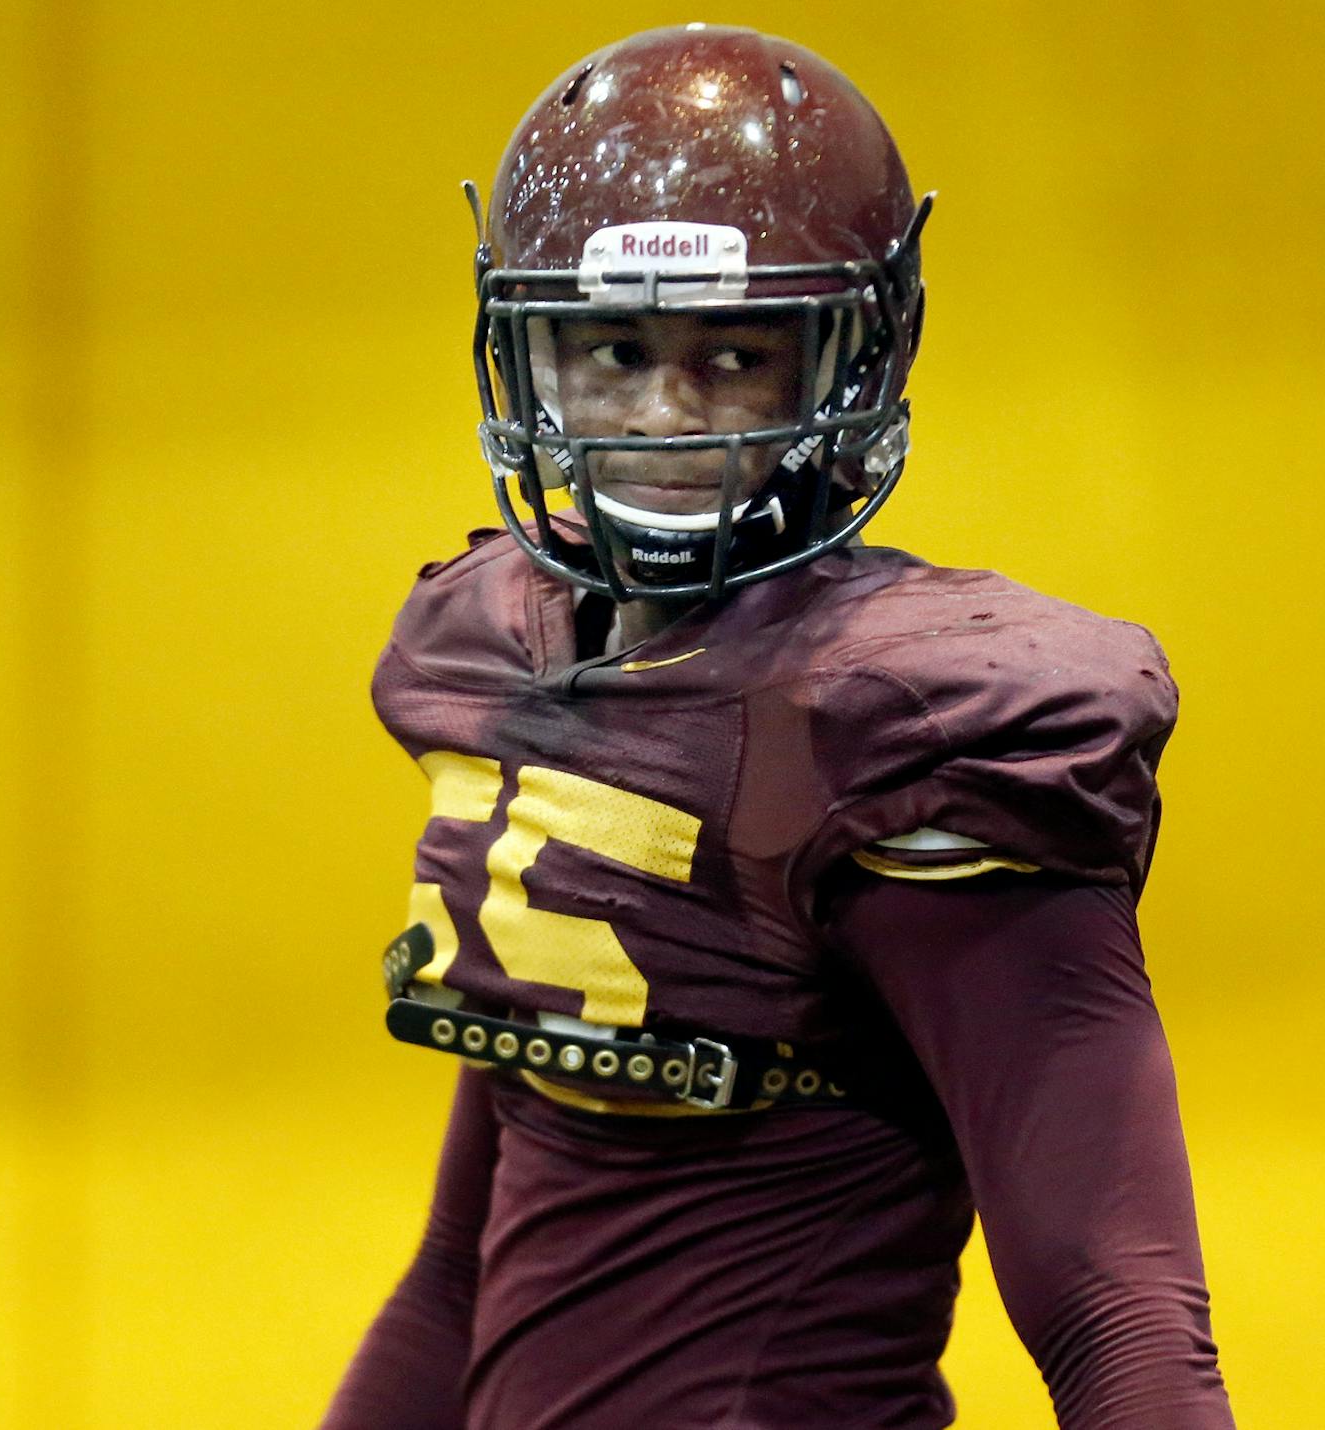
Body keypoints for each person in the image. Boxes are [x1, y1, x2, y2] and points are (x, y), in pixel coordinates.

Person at [323, 24, 1232, 1429]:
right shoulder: (499, 657)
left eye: (733, 354)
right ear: (533, 356)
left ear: (843, 365)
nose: (660, 419)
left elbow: (1111, 1299)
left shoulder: (908, 721)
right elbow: (462, 1267)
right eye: (615, 348)